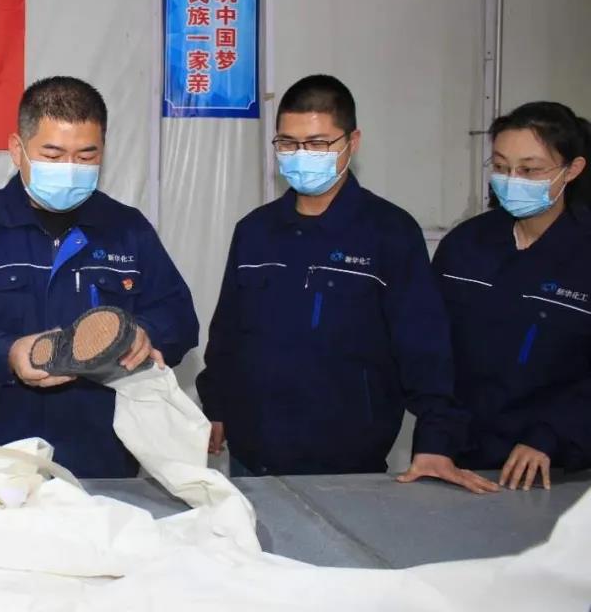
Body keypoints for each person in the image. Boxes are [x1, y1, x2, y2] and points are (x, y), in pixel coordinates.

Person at [197, 74, 499, 493]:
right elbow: (228, 332)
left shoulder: (390, 233)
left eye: (318, 143)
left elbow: (424, 348)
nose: (302, 156)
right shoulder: (255, 231)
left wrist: (436, 441)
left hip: (347, 460)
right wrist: (216, 406)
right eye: (288, 143)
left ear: (352, 142)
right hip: (254, 455)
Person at [0, 76, 199, 478]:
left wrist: (145, 333)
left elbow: (178, 315)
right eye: (54, 155)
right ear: (17, 149)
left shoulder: (127, 230)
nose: (70, 170)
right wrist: (6, 352)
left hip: (103, 456)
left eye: (85, 156)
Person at [433, 101, 591, 490]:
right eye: (502, 167)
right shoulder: (465, 245)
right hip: (464, 459)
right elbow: (431, 351)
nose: (512, 180)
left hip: (559, 467)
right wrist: (435, 439)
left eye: (530, 170)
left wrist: (551, 434)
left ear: (572, 169)